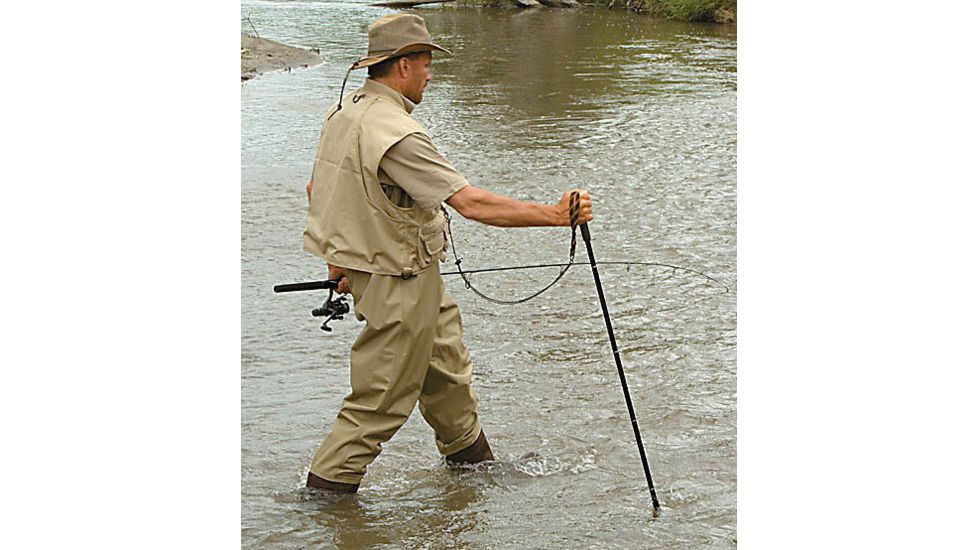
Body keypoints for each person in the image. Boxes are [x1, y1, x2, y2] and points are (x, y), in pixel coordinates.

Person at [302, 13, 593, 493]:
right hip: (397, 280)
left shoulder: (346, 111)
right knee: (380, 400)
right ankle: (322, 503)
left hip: (403, 274)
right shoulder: (399, 133)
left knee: (447, 376)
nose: (430, 74)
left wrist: (341, 263)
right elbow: (472, 204)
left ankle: (474, 468)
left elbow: (319, 189)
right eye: (426, 64)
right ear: (401, 67)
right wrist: (558, 215)